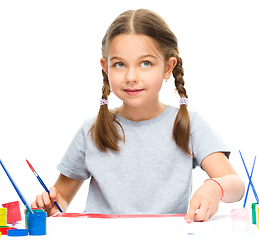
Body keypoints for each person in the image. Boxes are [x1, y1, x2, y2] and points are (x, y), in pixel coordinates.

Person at [31, 9, 245, 223]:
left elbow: (236, 185)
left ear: (168, 67)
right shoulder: (92, 129)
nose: (131, 77)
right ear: (106, 68)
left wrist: (215, 187)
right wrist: (50, 206)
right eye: (119, 64)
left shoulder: (189, 125)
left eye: (146, 63)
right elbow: (62, 198)